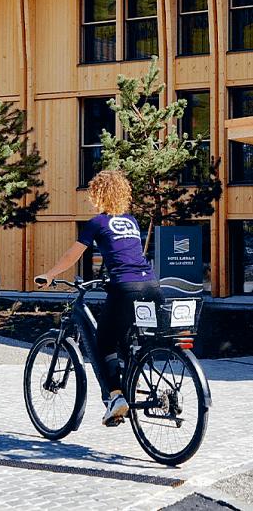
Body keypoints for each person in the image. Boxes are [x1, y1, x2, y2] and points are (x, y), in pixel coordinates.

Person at [36, 169, 164, 426]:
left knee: (104, 342)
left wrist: (50, 274)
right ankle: (133, 381)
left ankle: (116, 397)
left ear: (98, 195)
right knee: (127, 339)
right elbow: (126, 253)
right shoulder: (131, 221)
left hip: (126, 287)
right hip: (151, 285)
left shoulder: (97, 223)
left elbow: (72, 256)